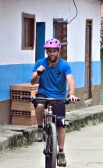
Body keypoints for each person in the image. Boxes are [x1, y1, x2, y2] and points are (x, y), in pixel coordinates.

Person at [30, 38, 79, 167]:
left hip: (59, 96)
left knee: (60, 125)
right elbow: (32, 82)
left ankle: (61, 152)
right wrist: (38, 73)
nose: (52, 54)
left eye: (54, 51)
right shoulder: (40, 63)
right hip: (44, 93)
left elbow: (70, 81)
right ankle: (40, 128)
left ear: (58, 52)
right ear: (47, 52)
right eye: (49, 51)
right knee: (39, 104)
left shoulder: (64, 65)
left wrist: (72, 94)